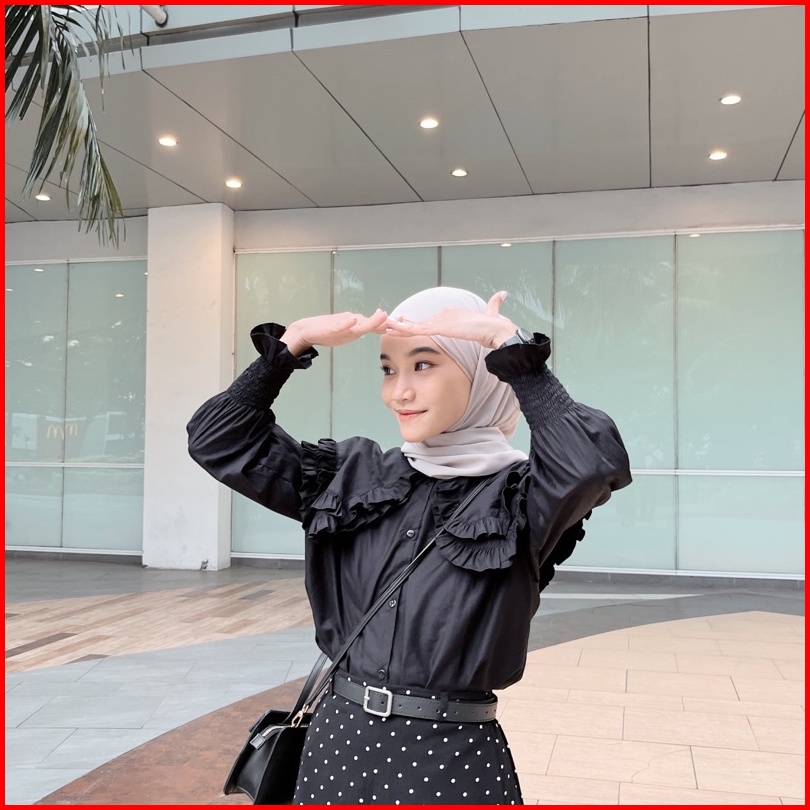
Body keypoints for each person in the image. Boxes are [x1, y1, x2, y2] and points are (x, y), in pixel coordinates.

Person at [187, 286, 632, 805]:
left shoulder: (521, 498)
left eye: (423, 365)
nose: (399, 392)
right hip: (336, 746)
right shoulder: (352, 478)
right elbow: (218, 440)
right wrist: (293, 343)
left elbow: (591, 465)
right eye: (388, 369)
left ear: (482, 375)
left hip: (450, 759)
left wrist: (508, 347)